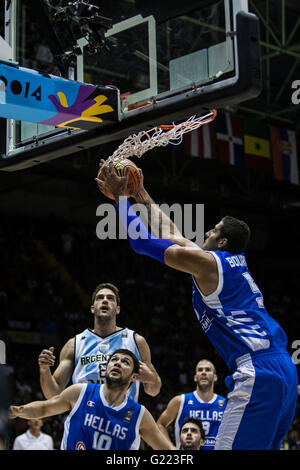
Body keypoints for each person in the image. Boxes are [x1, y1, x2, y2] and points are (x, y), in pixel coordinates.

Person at [96, 162, 298, 450]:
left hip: (258, 370)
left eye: (213, 231)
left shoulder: (208, 264)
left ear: (222, 241)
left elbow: (141, 242)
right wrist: (141, 194)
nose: (206, 234)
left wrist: (121, 198)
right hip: (285, 369)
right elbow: (173, 234)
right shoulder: (229, 266)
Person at [11, 349, 176, 451]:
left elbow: (166, 447)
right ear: (106, 369)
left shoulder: (139, 414)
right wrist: (20, 411)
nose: (117, 363)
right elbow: (44, 408)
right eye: (114, 360)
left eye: (125, 362)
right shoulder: (80, 392)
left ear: (134, 377)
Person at [38, 283, 161, 402]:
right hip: (84, 418)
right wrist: (44, 369)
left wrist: (151, 379)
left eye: (111, 298)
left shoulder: (135, 340)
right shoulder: (74, 344)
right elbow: (53, 394)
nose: (105, 300)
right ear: (92, 308)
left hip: (120, 419)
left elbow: (153, 391)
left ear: (117, 309)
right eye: (100, 298)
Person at [157, 359, 226, 450]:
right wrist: (170, 447)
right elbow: (160, 424)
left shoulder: (226, 404)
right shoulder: (180, 401)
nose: (204, 372)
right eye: (200, 370)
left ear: (215, 377)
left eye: (208, 370)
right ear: (195, 377)